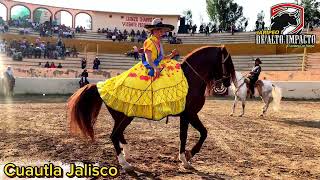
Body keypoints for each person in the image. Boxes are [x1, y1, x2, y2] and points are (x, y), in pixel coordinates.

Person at [96, 18, 188, 120]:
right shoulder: (148, 42)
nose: (161, 33)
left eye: (162, 31)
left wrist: (172, 55)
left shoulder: (158, 42)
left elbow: (162, 58)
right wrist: (155, 68)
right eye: (159, 31)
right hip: (149, 66)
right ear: (153, 31)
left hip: (158, 64)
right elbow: (149, 59)